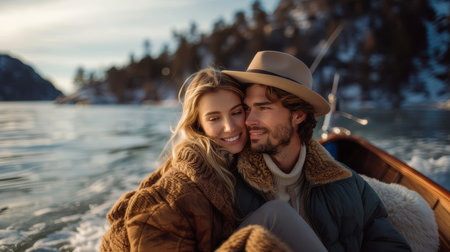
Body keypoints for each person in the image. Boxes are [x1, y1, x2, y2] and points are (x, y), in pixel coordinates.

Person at [100, 68, 309, 252]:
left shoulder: (247, 159)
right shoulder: (183, 187)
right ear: (198, 125)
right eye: (214, 118)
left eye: (236, 112)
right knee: (276, 214)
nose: (230, 127)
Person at [223, 50, 411, 251]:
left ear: (298, 115)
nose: (249, 120)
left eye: (263, 108)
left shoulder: (349, 184)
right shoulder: (227, 182)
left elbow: (390, 246)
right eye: (247, 109)